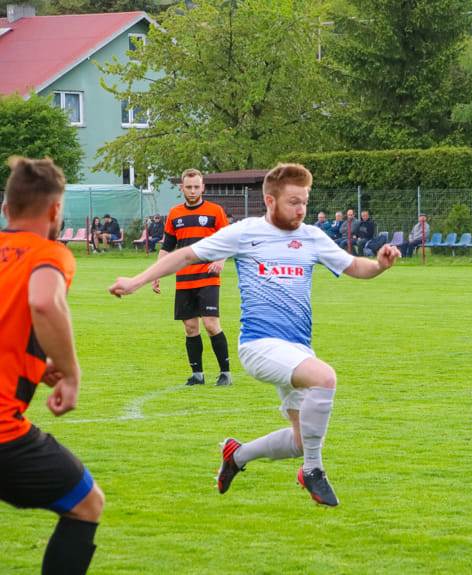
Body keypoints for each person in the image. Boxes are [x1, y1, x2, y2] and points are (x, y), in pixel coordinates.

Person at [109, 162, 401, 508]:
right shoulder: (245, 232)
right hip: (259, 346)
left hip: (296, 349)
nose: (301, 209)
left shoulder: (311, 237)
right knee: (325, 378)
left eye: (305, 201)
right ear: (269, 200)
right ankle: (313, 471)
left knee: (300, 440)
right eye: (293, 201)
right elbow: (187, 254)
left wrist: (380, 265)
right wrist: (136, 281)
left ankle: (237, 455)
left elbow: (355, 266)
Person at [0, 156, 105, 574]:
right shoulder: (49, 252)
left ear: (6, 210)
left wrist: (35, 364)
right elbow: (43, 301)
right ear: (56, 211)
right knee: (86, 503)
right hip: (3, 432)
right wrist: (70, 372)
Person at [155, 168, 232, 387]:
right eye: (188, 187)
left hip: (207, 276)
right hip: (184, 278)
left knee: (210, 324)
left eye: (196, 187)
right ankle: (197, 375)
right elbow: (167, 247)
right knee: (190, 327)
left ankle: (225, 373)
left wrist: (221, 260)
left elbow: (227, 241)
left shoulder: (215, 211)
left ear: (203, 187)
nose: (192, 191)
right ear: (182, 188)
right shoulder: (175, 214)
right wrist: (157, 273)